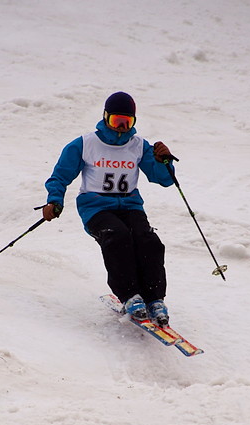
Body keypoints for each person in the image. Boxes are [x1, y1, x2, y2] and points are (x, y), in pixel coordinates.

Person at [42, 91, 176, 325]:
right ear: (105, 117)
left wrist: (162, 161)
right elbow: (60, 176)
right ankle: (129, 295)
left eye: (128, 122)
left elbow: (162, 180)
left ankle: (155, 298)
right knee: (118, 237)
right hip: (95, 207)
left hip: (131, 205)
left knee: (148, 240)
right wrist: (55, 200)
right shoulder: (84, 144)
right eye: (117, 121)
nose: (122, 128)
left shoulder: (139, 146)